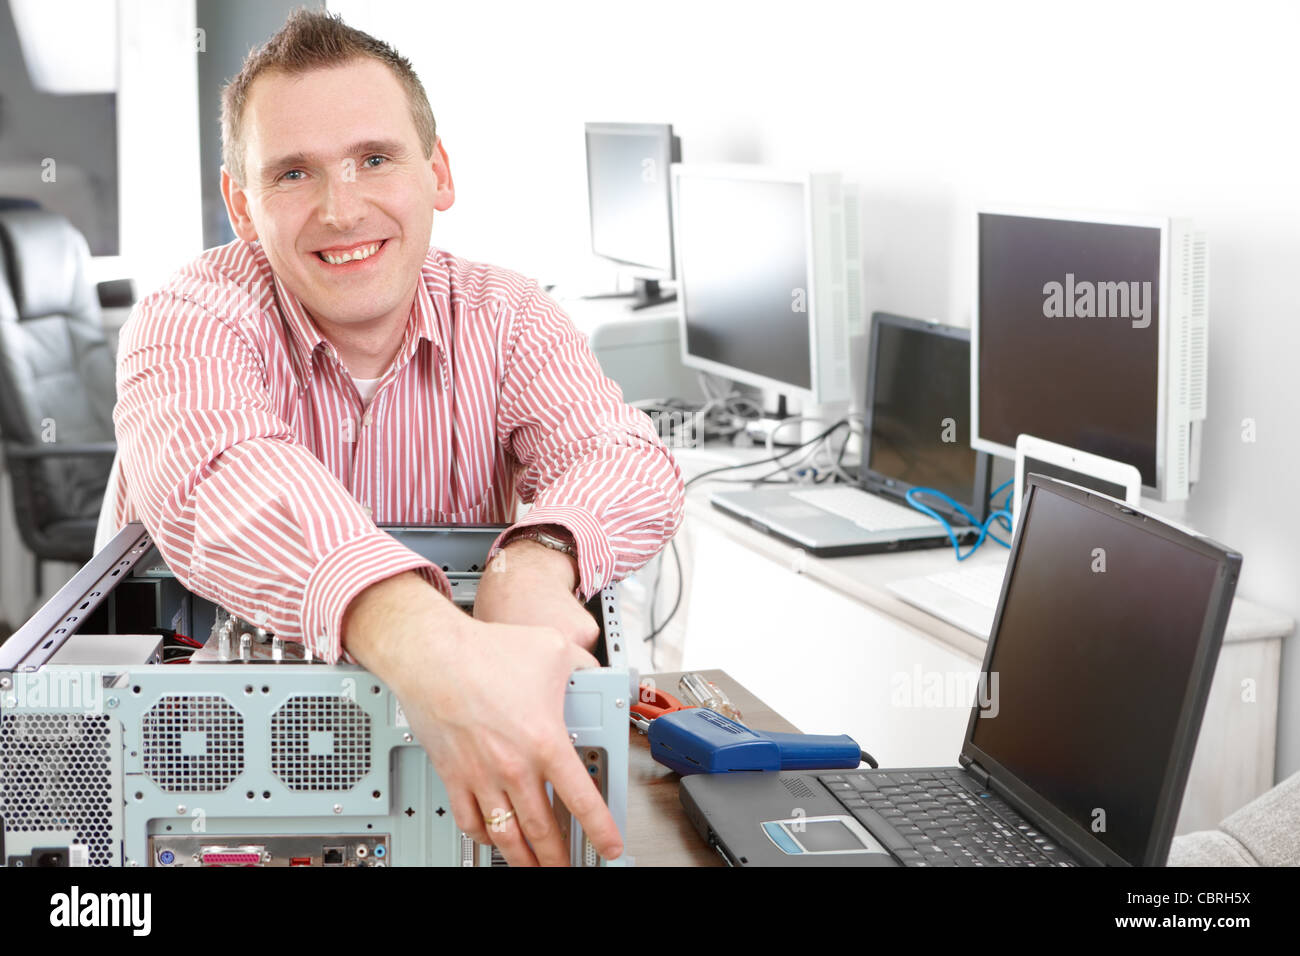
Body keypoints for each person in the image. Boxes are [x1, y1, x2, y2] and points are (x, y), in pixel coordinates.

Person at [106, 9, 685, 866]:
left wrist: (534, 561)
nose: (342, 210)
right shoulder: (187, 318)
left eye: (373, 159)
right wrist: (433, 648)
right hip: (198, 787)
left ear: (437, 172)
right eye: (293, 173)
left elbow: (623, 456)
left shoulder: (510, 315)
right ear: (240, 205)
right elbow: (219, 471)